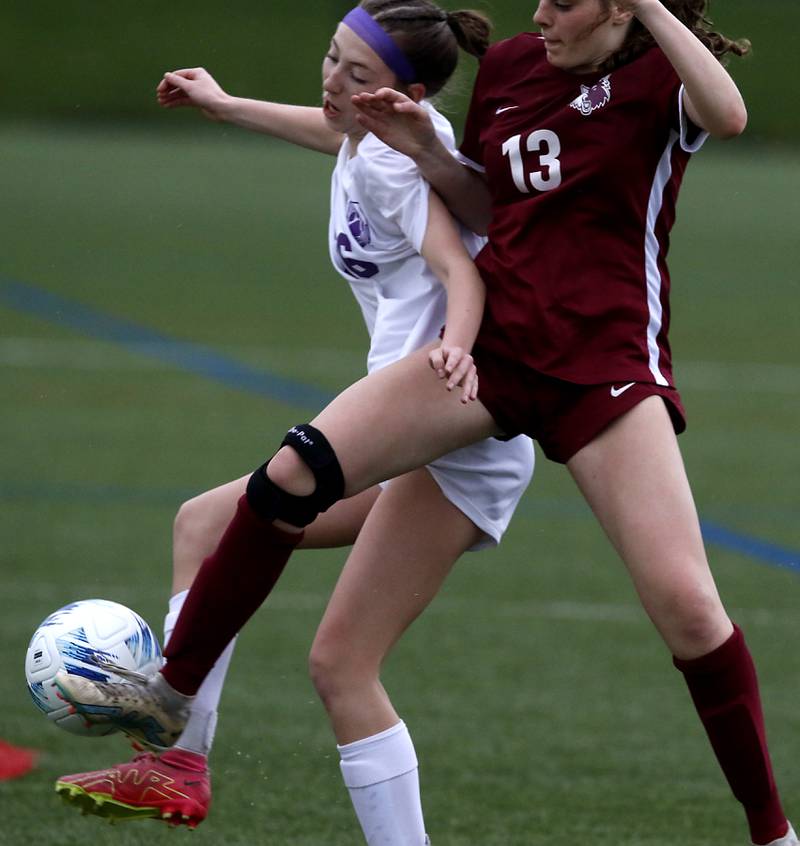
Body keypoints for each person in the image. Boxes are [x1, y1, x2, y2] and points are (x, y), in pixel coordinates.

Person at [56, 1, 795, 844]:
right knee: (289, 478)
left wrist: (654, 8)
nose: (541, 13)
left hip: (603, 365)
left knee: (689, 607)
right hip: (494, 355)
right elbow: (482, 203)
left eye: (562, 0)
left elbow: (730, 116)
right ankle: (174, 717)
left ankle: (773, 834)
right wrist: (418, 150)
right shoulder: (515, 68)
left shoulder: (663, 72)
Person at [53, 1, 535, 839]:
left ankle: (175, 749)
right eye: (331, 58)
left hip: (447, 435)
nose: (333, 82)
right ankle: (177, 763)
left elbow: (461, 269)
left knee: (343, 663)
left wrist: (455, 349)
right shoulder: (368, 139)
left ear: (406, 96)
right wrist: (226, 103)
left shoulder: (393, 163)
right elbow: (332, 133)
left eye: (357, 74)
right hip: (408, 432)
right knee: (206, 527)